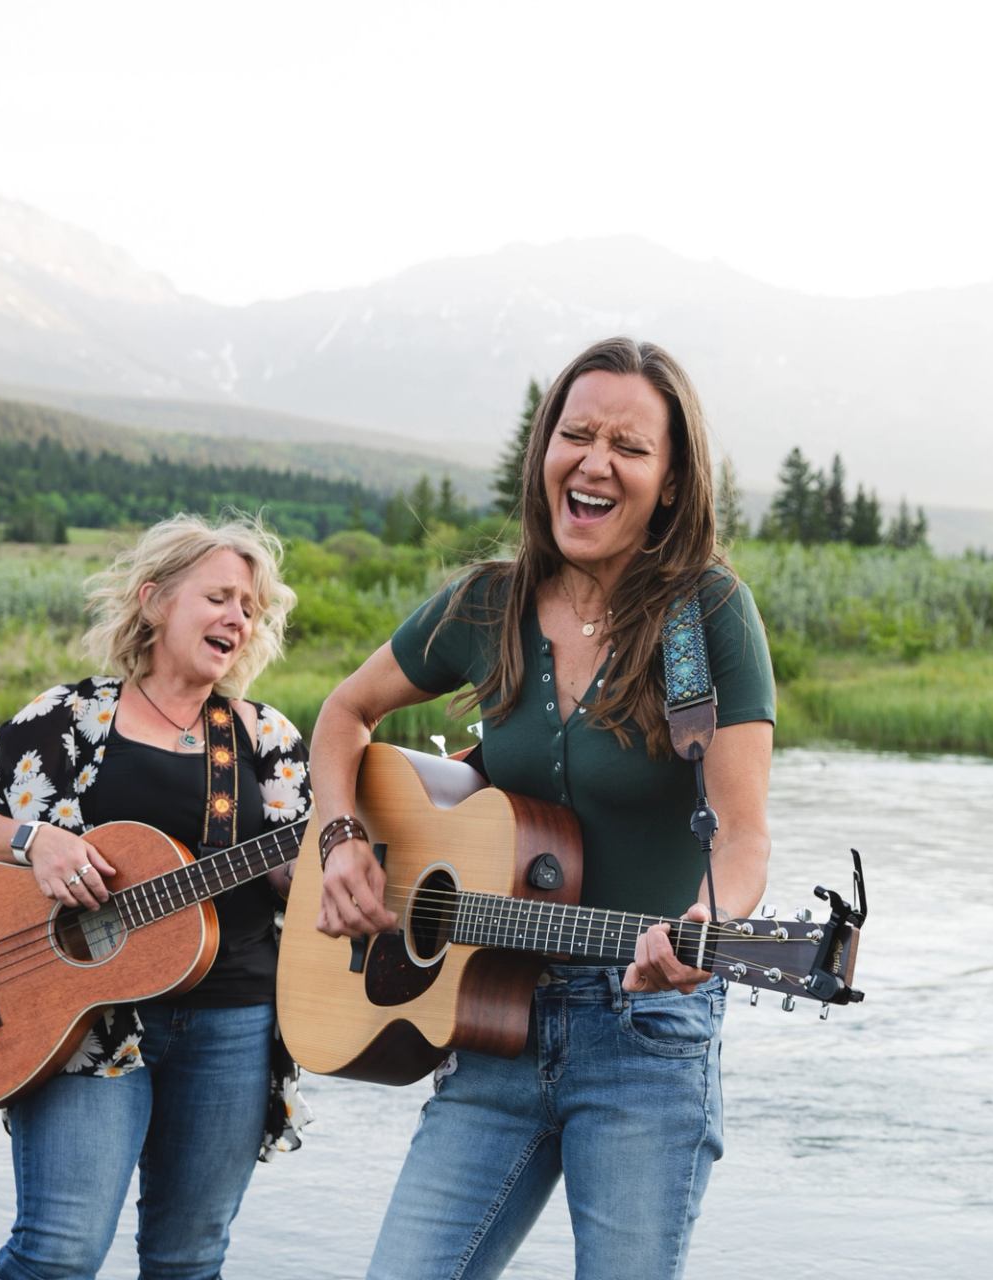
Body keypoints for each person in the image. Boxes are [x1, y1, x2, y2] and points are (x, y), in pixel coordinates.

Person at [308, 336, 775, 1279]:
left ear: (674, 482)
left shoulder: (707, 616)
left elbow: (742, 830)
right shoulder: (489, 603)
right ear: (544, 453)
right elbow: (343, 715)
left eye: (630, 447)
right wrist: (342, 840)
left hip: (646, 1038)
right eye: (577, 434)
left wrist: (707, 924)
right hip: (494, 1019)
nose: (595, 462)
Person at [0, 512, 311, 1280]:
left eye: (250, 606)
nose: (238, 618)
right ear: (154, 601)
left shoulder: (264, 737)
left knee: (188, 1259)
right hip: (83, 1018)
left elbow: (290, 873)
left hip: (231, 1023)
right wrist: (35, 841)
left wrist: (331, 866)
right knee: (59, 1251)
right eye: (219, 597)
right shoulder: (69, 720)